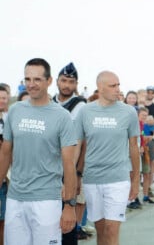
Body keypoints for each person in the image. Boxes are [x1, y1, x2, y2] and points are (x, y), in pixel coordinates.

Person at [0, 58, 77, 245]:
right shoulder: (15, 110)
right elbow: (5, 153)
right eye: (27, 79)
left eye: (37, 80)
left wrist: (69, 205)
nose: (31, 85)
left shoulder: (62, 116)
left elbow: (69, 164)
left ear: (49, 81)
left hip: (47, 201)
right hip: (15, 198)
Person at [75, 71, 140, 245]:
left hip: (118, 179)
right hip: (92, 179)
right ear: (100, 87)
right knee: (101, 230)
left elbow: (134, 147)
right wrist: (73, 176)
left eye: (118, 85)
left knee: (112, 230)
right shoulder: (85, 111)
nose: (118, 89)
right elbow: (78, 146)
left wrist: (135, 179)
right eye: (113, 86)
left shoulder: (128, 112)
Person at [53, 62, 92, 242]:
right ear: (57, 81)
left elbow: (83, 143)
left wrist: (77, 173)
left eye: (71, 81)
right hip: (48, 170)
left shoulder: (81, 106)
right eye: (64, 80)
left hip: (69, 169)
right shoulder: (49, 103)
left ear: (76, 84)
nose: (67, 85)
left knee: (67, 224)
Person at [0, 85, 10, 245]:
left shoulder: (9, 118)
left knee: (3, 221)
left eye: (4, 97)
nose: (1, 101)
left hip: (6, 178)